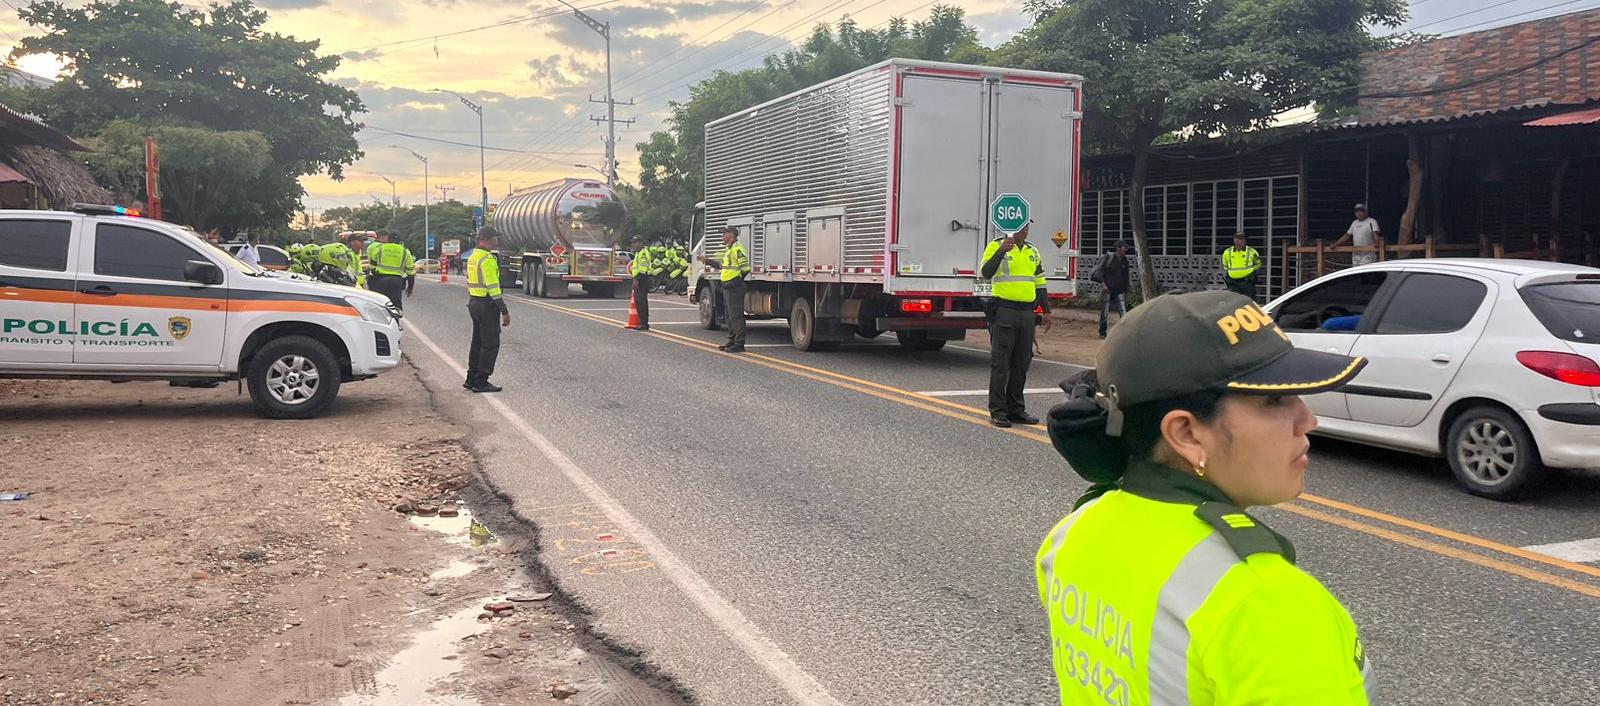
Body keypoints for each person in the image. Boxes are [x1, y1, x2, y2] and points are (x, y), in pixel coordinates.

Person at [1038, 290, 1373, 705]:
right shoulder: (1265, 601)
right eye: (1274, 400)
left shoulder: (1072, 532)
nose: (1308, 419)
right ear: (1186, 433)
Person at [979, 221, 1050, 428]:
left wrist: (1046, 311)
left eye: (1027, 227)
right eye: (1020, 227)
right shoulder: (996, 245)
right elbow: (986, 273)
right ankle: (998, 410)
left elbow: (1040, 283)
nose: (1024, 230)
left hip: (1027, 312)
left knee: (1022, 362)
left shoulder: (1032, 251)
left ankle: (1016, 409)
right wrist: (1001, 251)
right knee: (1001, 362)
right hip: (1005, 310)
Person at [464, 226, 510, 393]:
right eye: (494, 237)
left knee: (477, 343)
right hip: (486, 305)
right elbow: (494, 289)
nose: (496, 240)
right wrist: (504, 311)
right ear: (486, 239)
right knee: (490, 344)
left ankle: (471, 378)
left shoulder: (474, 256)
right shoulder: (488, 259)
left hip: (474, 302)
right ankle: (481, 381)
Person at [697, 226, 749, 352]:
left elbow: (745, 268)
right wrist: (706, 260)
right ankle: (732, 341)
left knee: (736, 316)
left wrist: (735, 281)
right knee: (729, 316)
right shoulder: (729, 250)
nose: (722, 237)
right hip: (727, 286)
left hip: (734, 287)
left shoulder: (737, 249)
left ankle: (739, 343)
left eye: (724, 234)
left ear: (730, 235)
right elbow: (722, 266)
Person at [368, 231, 415, 311]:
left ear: (388, 239)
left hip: (380, 279)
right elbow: (410, 272)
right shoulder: (405, 251)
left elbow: (372, 264)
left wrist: (374, 274)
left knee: (380, 304)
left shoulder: (380, 248)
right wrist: (410, 287)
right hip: (396, 281)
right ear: (399, 241)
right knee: (396, 305)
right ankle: (396, 318)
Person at [1095, 241, 1131, 339]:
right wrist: (1103, 285)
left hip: (1119, 289)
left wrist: (1126, 287)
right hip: (1108, 289)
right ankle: (1102, 332)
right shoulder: (1109, 258)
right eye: (1124, 248)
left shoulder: (1124, 260)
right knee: (1105, 312)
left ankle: (1125, 332)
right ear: (1118, 248)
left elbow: (1126, 275)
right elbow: (1099, 272)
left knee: (1123, 311)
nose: (1126, 250)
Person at [629, 244, 663, 331]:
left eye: (635, 243)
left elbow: (642, 269)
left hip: (642, 279)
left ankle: (644, 323)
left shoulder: (643, 254)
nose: (634, 245)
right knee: (639, 301)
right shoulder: (639, 253)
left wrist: (637, 280)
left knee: (641, 302)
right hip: (640, 278)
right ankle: (642, 322)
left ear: (640, 243)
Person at [1221, 231, 1262, 300]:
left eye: (1243, 239)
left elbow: (1258, 264)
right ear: (1234, 240)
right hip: (1233, 283)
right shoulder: (1227, 252)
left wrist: (1251, 272)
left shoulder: (1251, 251)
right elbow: (1225, 265)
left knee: (1249, 301)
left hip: (1247, 282)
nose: (1241, 241)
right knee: (1233, 302)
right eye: (1239, 239)